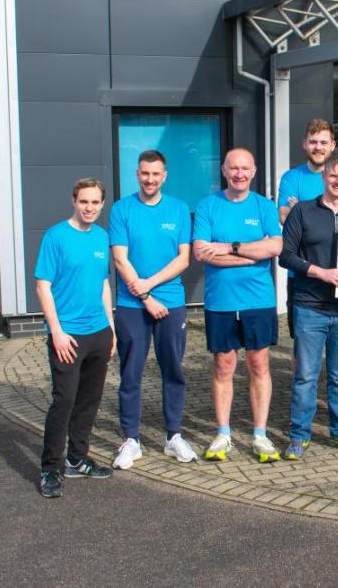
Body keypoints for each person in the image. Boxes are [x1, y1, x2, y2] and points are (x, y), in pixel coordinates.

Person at [278, 155, 338, 460]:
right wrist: (321, 272)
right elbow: (286, 256)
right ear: (324, 177)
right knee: (305, 375)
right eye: (334, 176)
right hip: (309, 307)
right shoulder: (303, 212)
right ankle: (299, 435)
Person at [193, 148, 283, 463]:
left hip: (258, 300)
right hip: (220, 302)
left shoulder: (264, 206)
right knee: (223, 367)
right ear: (224, 170)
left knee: (259, 366)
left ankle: (260, 434)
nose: (239, 174)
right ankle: (223, 433)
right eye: (234, 168)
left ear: (254, 171)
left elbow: (274, 247)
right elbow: (202, 253)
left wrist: (229, 248)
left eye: (245, 168)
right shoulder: (207, 206)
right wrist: (249, 254)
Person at [109, 151, 197, 470]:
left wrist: (151, 285)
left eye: (155, 174)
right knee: (130, 371)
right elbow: (120, 259)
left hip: (171, 302)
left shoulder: (177, 209)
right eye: (145, 173)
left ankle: (173, 436)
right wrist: (145, 296)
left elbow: (183, 258)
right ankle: (131, 439)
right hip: (132, 305)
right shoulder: (122, 209)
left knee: (172, 369)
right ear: (137, 174)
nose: (150, 179)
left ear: (165, 175)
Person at [35, 179, 116, 498]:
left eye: (96, 202)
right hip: (67, 335)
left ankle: (77, 458)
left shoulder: (101, 236)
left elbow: (103, 285)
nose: (90, 208)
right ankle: (50, 469)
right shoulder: (56, 236)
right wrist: (56, 331)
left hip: (98, 332)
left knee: (89, 401)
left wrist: (111, 329)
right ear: (73, 201)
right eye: (84, 202)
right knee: (64, 401)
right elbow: (43, 286)